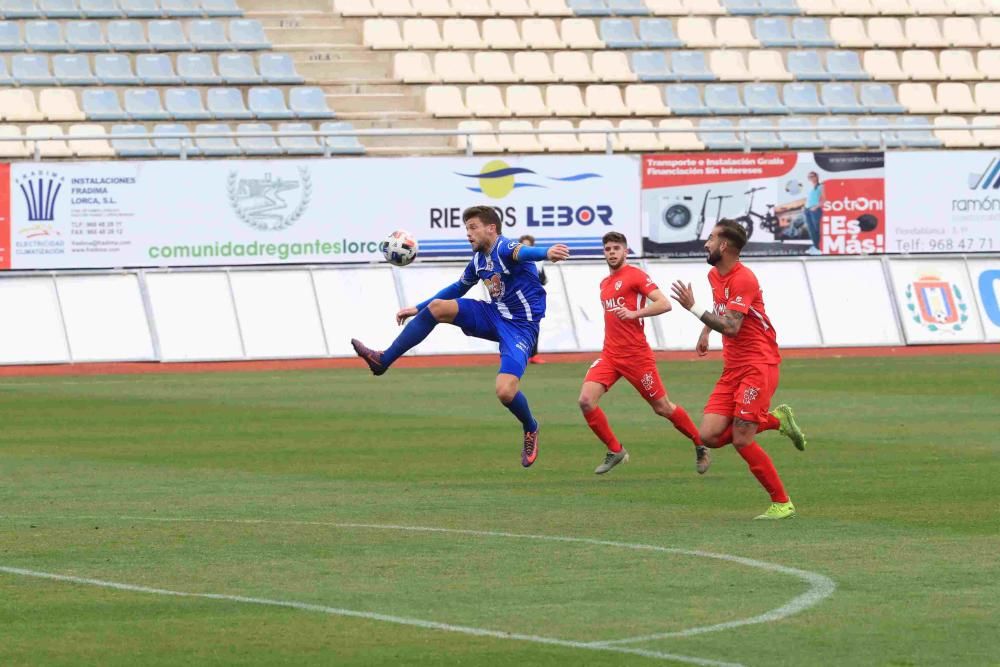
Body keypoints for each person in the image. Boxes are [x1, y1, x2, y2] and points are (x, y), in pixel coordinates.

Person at [351, 206, 570, 468]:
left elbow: (524, 252)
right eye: (466, 228)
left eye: (473, 227)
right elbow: (458, 288)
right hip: (492, 314)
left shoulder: (505, 247)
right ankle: (382, 360)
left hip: (520, 328)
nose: (468, 233)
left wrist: (546, 252)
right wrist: (418, 308)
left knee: (505, 391)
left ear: (491, 228)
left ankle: (531, 427)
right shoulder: (479, 260)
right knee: (437, 308)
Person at [669, 219, 808, 520]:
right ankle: (775, 420)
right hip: (733, 367)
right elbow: (722, 309)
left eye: (710, 238)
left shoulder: (744, 278)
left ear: (724, 245)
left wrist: (694, 309)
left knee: (742, 437)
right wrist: (706, 330)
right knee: (709, 436)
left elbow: (732, 326)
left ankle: (782, 502)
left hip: (758, 364)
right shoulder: (713, 274)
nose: (705, 244)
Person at [579, 232, 706, 475]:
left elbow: (664, 303)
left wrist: (635, 314)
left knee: (663, 408)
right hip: (610, 356)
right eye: (608, 248)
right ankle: (616, 450)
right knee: (585, 400)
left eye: (617, 248)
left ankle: (700, 444)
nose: (612, 252)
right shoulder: (604, 284)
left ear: (626, 251)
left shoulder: (635, 275)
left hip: (636, 357)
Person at [518, 234, 547, 365]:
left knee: (534, 326)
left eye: (529, 246)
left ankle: (533, 355)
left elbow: (544, 279)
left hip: (533, 299)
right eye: (524, 246)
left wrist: (540, 277)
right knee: (516, 326)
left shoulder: (538, 261)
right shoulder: (515, 261)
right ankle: (516, 354)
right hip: (517, 299)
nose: (527, 248)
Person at [803, 171, 824, 256]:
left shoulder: (821, 186)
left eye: (812, 176)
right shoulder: (810, 188)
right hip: (807, 210)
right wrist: (804, 207)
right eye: (809, 177)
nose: (811, 178)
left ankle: (819, 248)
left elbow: (824, 200)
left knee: (817, 229)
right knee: (811, 230)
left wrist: (816, 207)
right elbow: (808, 199)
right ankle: (815, 247)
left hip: (815, 210)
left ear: (816, 176)